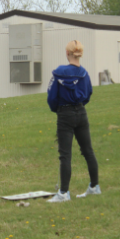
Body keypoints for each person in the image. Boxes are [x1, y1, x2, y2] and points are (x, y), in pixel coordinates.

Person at [46, 40, 100, 203]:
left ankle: (63, 193)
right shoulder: (84, 73)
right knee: (88, 151)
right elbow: (89, 92)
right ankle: (94, 186)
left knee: (65, 154)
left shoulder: (59, 72)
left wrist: (58, 109)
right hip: (81, 112)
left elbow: (52, 96)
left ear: (67, 53)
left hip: (65, 114)